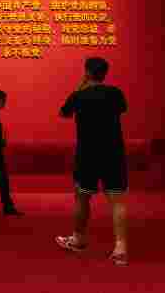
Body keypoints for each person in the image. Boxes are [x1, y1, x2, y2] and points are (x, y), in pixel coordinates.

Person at [55, 57, 129, 266]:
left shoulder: (79, 95)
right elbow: (122, 109)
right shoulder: (116, 94)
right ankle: (121, 249)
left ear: (87, 72)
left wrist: (81, 84)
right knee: (117, 202)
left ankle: (78, 239)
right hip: (113, 153)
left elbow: (63, 113)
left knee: (82, 198)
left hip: (87, 154)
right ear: (105, 73)